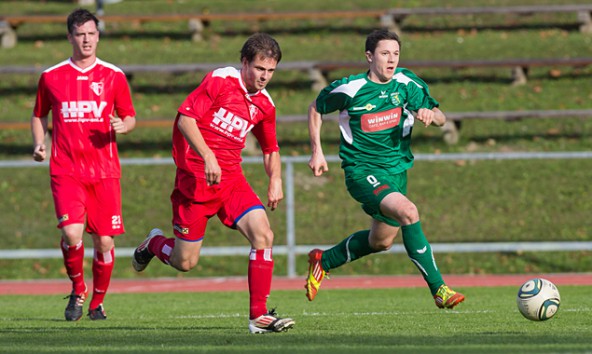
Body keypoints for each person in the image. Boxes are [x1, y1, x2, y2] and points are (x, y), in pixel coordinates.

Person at [131, 33, 295, 334]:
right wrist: (207, 155)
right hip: (194, 182)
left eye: (271, 71)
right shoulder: (221, 80)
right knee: (185, 262)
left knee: (264, 234)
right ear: (244, 63)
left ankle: (258, 316)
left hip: (232, 181)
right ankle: (154, 243)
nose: (264, 77)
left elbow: (271, 148)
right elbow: (185, 119)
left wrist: (276, 180)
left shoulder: (265, 105)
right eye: (260, 69)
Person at [305, 29, 465, 309]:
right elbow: (316, 108)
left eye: (395, 54)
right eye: (384, 53)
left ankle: (324, 260)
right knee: (408, 212)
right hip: (361, 170)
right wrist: (317, 151)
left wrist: (430, 114)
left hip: (396, 172)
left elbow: (440, 117)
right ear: (369, 56)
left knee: (381, 241)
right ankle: (439, 289)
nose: (391, 60)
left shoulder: (406, 82)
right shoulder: (350, 88)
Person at [31, 8, 136, 321]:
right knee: (72, 234)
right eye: (80, 34)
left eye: (91, 33)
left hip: (105, 171)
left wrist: (124, 126)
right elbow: (39, 114)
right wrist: (40, 143)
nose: (86, 40)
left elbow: (130, 116)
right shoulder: (51, 76)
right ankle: (78, 289)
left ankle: (97, 302)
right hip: (67, 169)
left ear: (98, 36)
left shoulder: (113, 76)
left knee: (104, 240)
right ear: (70, 37)